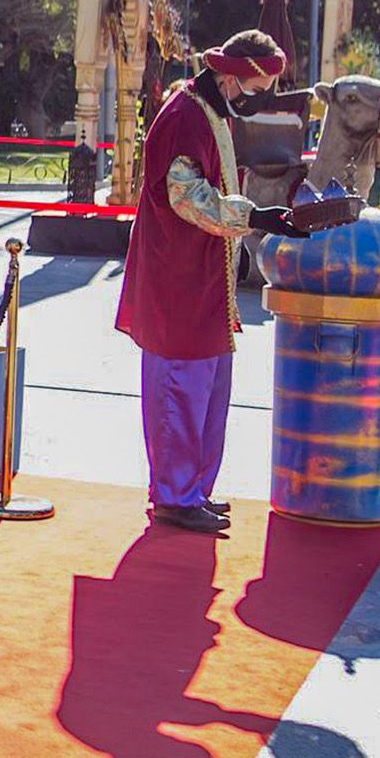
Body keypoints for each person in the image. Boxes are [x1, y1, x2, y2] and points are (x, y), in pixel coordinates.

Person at [115, 29, 309, 534]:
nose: (260, 94)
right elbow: (186, 196)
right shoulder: (185, 116)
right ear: (234, 75)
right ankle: (175, 495)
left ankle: (192, 489)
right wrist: (256, 218)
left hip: (203, 272)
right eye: (258, 84)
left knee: (209, 384)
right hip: (178, 273)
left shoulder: (208, 111)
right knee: (182, 385)